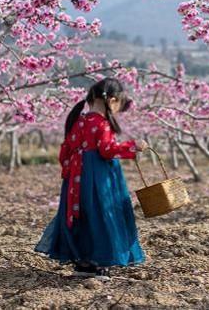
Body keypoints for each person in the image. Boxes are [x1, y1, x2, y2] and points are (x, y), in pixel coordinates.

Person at [34, 77, 148, 281]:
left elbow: (66, 150)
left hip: (76, 177)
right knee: (102, 213)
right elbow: (106, 150)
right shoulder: (102, 123)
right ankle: (100, 261)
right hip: (98, 177)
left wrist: (72, 171)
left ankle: (83, 263)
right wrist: (133, 146)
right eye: (119, 104)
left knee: (83, 214)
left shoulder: (78, 120)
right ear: (112, 100)